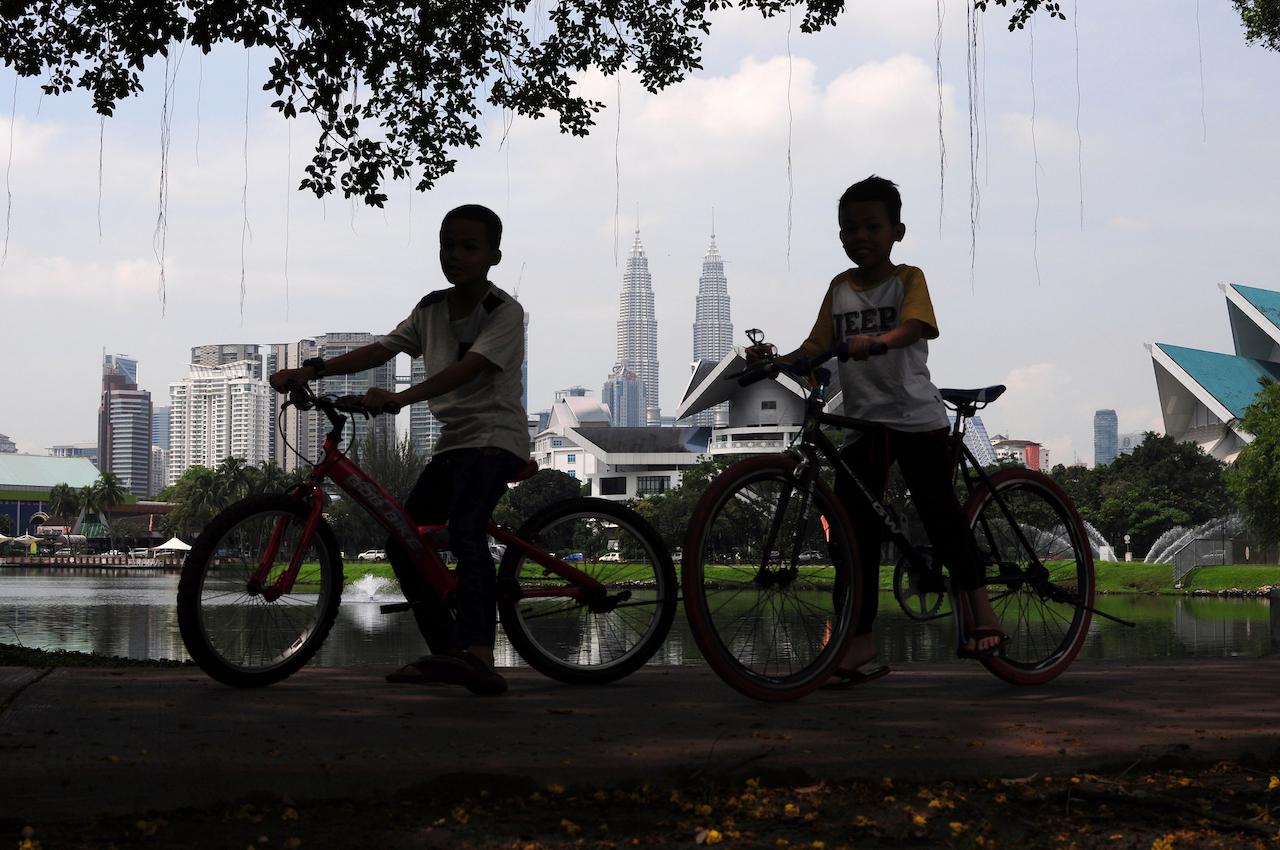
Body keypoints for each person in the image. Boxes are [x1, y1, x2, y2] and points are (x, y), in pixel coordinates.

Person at [269, 203, 528, 696]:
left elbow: (467, 368)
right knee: (403, 542)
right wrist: (313, 370)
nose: (455, 255)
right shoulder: (430, 307)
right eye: (447, 245)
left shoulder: (504, 312)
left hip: (496, 439)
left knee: (468, 529)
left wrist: (401, 397)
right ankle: (448, 652)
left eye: (469, 247)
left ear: (494, 255)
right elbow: (382, 348)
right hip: (455, 443)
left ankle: (478, 653)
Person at [759, 175, 1006, 688]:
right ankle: (860, 638)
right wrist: (780, 360)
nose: (859, 236)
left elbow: (915, 328)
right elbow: (816, 343)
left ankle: (983, 612)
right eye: (848, 228)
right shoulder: (838, 288)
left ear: (897, 230)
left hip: (915, 418)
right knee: (851, 536)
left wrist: (876, 341)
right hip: (863, 426)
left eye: (872, 226)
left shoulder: (908, 279)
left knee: (939, 514)